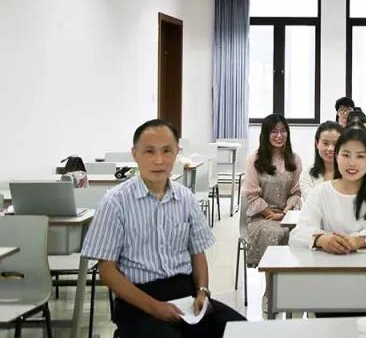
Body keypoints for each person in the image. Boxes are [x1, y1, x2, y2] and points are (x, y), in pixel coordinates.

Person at [81, 119, 245, 337]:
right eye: (149, 151)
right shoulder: (115, 202)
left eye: (167, 151)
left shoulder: (186, 198)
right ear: (135, 154)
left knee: (243, 330)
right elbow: (107, 271)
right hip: (138, 302)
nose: (159, 160)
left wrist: (203, 291)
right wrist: (155, 307)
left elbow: (198, 254)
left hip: (187, 298)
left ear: (177, 152)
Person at [289, 128, 366, 251]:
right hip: (329, 264)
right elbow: (299, 233)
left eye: (360, 156)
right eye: (346, 155)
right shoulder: (321, 192)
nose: (352, 163)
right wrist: (321, 239)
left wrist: (359, 240)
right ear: (336, 156)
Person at [243, 114, 302, 266]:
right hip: (261, 217)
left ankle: (290, 283)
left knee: (300, 234)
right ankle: (270, 285)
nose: (279, 136)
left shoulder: (295, 159)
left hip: (287, 215)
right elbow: (252, 196)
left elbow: (295, 193)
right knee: (274, 233)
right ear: (265, 134)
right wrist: (271, 214)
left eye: (283, 131)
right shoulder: (254, 159)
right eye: (274, 132)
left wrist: (284, 213)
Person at [300, 121, 344, 198]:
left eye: (335, 144)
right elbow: (311, 203)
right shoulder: (307, 175)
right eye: (325, 143)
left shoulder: (350, 173)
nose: (330, 148)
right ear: (317, 143)